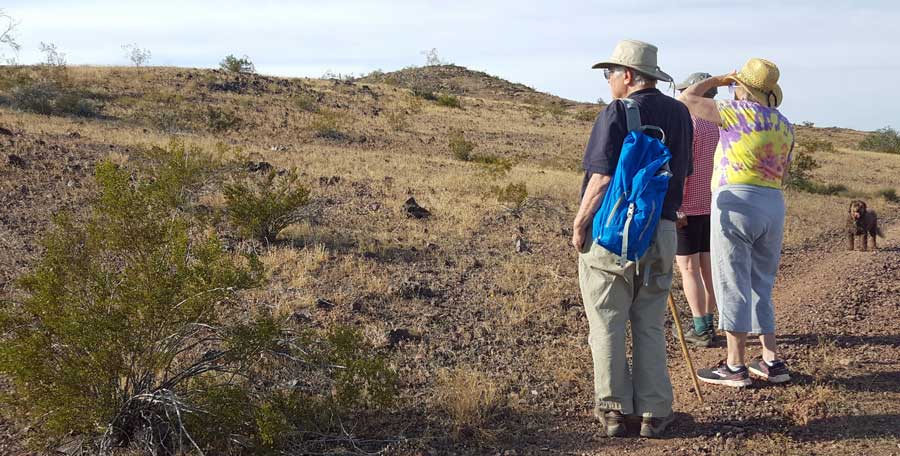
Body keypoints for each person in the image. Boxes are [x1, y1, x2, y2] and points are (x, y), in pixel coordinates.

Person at [572, 39, 693, 437]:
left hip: (612, 234)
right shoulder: (680, 114)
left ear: (627, 76)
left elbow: (602, 177)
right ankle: (654, 412)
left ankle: (612, 411)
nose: (608, 81)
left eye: (610, 74)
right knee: (650, 323)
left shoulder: (617, 112)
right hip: (660, 230)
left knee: (606, 321)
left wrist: (579, 224)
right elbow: (683, 174)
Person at [679, 58, 795, 387]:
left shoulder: (735, 111)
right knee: (762, 282)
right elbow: (783, 170)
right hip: (772, 203)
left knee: (732, 280)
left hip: (735, 200)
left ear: (740, 87)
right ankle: (771, 360)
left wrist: (717, 78)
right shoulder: (785, 124)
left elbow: (686, 100)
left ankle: (735, 365)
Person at [673, 73, 720, 348]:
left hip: (688, 206)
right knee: (707, 268)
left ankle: (701, 328)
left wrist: (676, 206)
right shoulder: (721, 124)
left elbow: (684, 168)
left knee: (689, 268)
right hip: (712, 205)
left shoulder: (689, 123)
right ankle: (711, 321)